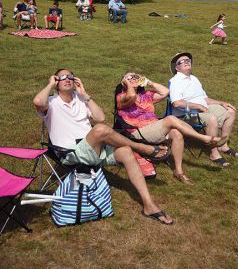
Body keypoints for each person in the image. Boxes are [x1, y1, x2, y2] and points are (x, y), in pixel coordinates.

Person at [33, 69, 173, 225]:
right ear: (56, 81)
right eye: (62, 77)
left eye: (70, 76)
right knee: (101, 129)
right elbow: (38, 102)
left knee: (125, 151)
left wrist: (85, 95)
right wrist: (50, 84)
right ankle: (142, 148)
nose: (67, 79)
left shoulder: (81, 99)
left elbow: (100, 117)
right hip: (70, 153)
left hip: (94, 149)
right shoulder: (51, 102)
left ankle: (149, 205)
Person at [116, 72, 225, 185]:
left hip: (153, 129)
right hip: (137, 132)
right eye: (130, 77)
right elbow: (132, 96)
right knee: (170, 119)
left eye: (135, 76)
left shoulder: (146, 95)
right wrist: (127, 83)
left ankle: (178, 171)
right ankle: (205, 139)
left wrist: (148, 82)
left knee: (176, 133)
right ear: (123, 82)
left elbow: (165, 92)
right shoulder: (121, 97)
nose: (134, 78)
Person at [169, 52, 238, 167]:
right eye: (182, 61)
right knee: (212, 118)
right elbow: (176, 103)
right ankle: (214, 153)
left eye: (188, 60)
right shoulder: (175, 81)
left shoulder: (194, 78)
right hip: (185, 116)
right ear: (177, 68)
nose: (186, 61)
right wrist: (197, 106)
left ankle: (223, 145)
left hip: (203, 110)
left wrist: (222, 103)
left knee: (230, 111)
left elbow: (205, 99)